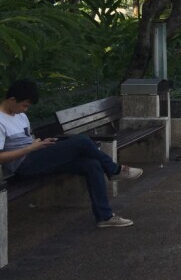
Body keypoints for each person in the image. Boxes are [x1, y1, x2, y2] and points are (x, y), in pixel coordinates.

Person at [0, 79, 142, 228]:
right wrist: (29, 149)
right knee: (81, 141)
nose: (25, 110)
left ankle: (105, 217)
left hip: (36, 156)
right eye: (24, 105)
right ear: (12, 100)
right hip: (23, 166)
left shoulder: (21, 116)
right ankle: (115, 170)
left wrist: (40, 144)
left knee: (92, 165)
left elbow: (28, 141)